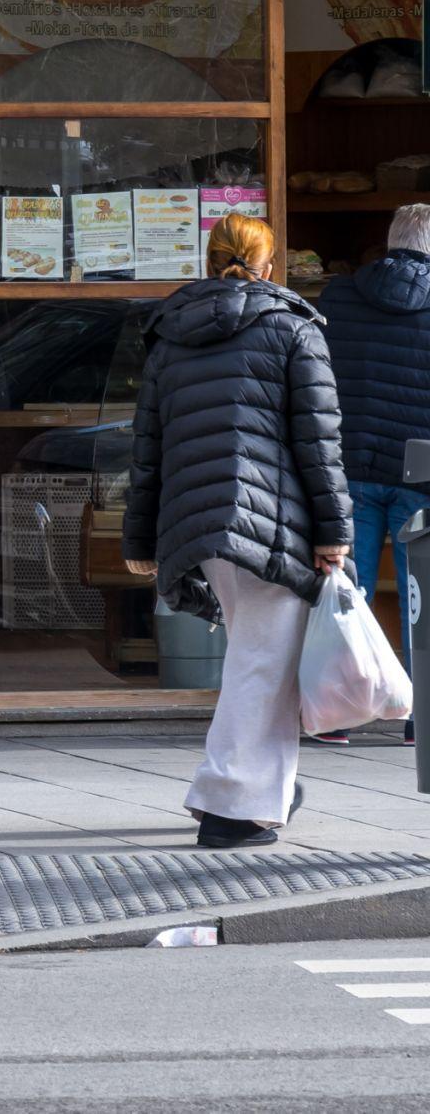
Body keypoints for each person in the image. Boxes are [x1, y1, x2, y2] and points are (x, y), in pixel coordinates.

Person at [121, 214, 352, 847]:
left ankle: (262, 787)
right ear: (268, 265)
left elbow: (148, 447)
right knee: (262, 663)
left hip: (200, 523)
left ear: (210, 259)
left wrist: (140, 540)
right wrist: (333, 531)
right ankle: (232, 805)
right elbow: (319, 443)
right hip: (269, 521)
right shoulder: (293, 328)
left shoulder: (170, 335)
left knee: (256, 656)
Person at [316, 204, 430, 745]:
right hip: (422, 473)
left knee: (345, 591)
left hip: (350, 466)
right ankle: (421, 719)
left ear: (391, 240)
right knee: (421, 597)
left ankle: (339, 714)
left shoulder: (339, 296)